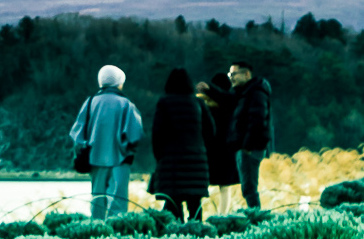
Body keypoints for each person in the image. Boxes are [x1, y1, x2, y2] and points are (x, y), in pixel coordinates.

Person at [69, 65, 145, 217]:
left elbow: (77, 134)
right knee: (118, 204)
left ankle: (96, 234)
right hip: (120, 160)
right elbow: (136, 134)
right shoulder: (126, 104)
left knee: (97, 202)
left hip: (95, 160)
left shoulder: (90, 102)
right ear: (119, 82)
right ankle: (116, 236)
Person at [149, 66, 210, 221]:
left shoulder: (164, 102)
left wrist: (160, 157)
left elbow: (157, 133)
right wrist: (202, 150)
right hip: (196, 162)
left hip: (171, 164)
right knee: (195, 205)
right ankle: (198, 238)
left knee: (173, 205)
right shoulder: (198, 103)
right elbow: (211, 131)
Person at [227, 59, 272, 209]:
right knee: (248, 187)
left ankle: (257, 219)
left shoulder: (256, 92)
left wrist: (247, 146)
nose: (231, 77)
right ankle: (256, 218)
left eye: (234, 74)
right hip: (247, 148)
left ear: (246, 74)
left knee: (249, 188)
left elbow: (257, 121)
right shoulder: (246, 93)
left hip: (250, 149)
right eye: (229, 74)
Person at [197, 69, 239, 215]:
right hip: (227, 150)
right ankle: (223, 216)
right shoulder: (231, 104)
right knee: (225, 187)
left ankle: (197, 215)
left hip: (207, 150)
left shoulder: (202, 104)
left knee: (201, 185)